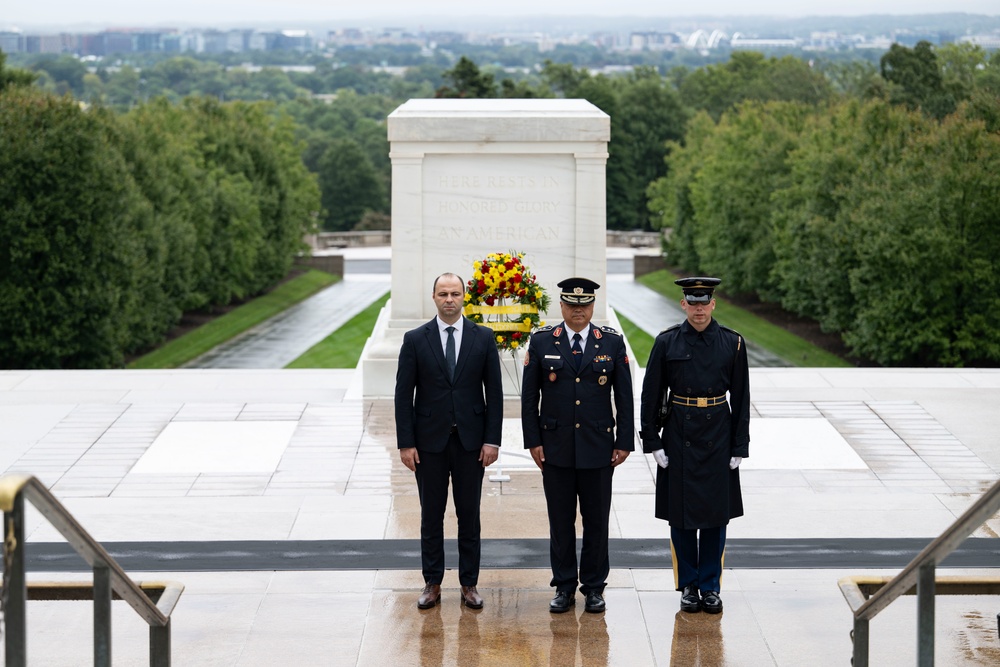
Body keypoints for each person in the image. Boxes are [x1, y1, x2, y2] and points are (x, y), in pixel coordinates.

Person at [521, 277, 634, 614]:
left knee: (597, 521)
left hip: (598, 447)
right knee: (560, 521)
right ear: (562, 306)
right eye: (571, 305)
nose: (578, 311)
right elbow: (529, 399)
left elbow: (624, 397)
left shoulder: (611, 343)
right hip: (555, 448)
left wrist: (624, 441)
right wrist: (534, 442)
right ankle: (564, 586)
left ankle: (595, 588)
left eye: (584, 305)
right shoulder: (542, 342)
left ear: (593, 307)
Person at [639, 277, 750, 615]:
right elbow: (651, 394)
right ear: (683, 304)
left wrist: (739, 446)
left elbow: (742, 398)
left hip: (718, 431)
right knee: (682, 517)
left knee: (716, 518)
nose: (699, 309)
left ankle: (710, 586)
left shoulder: (732, 343)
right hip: (679, 433)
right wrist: (651, 440)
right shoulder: (667, 342)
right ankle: (688, 584)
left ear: (713, 305)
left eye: (705, 303)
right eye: (693, 303)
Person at [394, 272, 503, 610]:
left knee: (469, 515)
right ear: (434, 297)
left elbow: (494, 394)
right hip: (429, 443)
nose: (449, 299)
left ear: (464, 297)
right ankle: (432, 582)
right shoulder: (415, 339)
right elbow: (403, 395)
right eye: (443, 294)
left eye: (455, 293)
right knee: (431, 515)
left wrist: (492, 441)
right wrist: (405, 443)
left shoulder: (483, 338)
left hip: (471, 443)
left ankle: (469, 584)